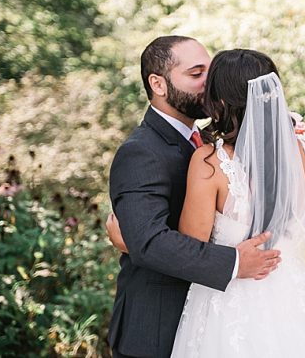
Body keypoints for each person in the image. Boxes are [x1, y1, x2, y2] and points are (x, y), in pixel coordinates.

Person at [168, 49, 305, 357]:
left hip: (227, 304)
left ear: (222, 100)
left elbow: (192, 244)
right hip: (293, 302)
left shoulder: (210, 162)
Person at [106, 36, 281, 358]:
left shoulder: (213, 141)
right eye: (196, 74)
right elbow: (148, 243)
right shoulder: (140, 152)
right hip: (158, 328)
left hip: (220, 320)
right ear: (158, 84)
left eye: (210, 72)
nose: (208, 83)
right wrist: (235, 262)